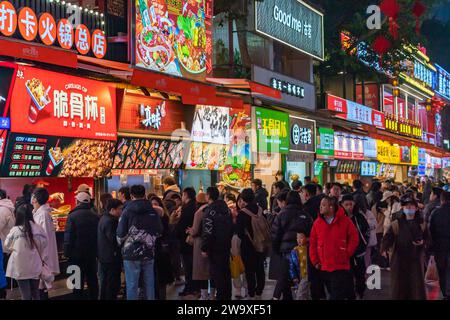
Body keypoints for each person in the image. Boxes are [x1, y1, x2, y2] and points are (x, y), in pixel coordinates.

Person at [117, 185, 163, 300]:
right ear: (145, 194)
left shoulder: (126, 211)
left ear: (131, 196)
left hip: (130, 253)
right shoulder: (153, 210)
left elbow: (121, 232)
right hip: (148, 251)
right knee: (149, 283)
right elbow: (159, 230)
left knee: (132, 284)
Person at [309, 196, 359, 300]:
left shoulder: (345, 221)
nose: (320, 208)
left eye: (323, 205)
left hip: (340, 266)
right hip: (323, 267)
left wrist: (346, 254)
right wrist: (315, 261)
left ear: (331, 207)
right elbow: (313, 243)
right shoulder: (317, 223)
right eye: (320, 205)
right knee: (331, 292)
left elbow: (354, 238)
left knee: (336, 295)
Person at [381, 194, 427, 300]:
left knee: (415, 285)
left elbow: (428, 238)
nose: (409, 208)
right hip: (399, 259)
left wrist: (423, 243)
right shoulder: (396, 223)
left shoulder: (421, 224)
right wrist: (384, 248)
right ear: (402, 208)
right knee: (399, 286)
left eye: (411, 206)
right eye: (406, 206)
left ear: (416, 208)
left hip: (415, 259)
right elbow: (388, 237)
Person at [271, 191, 312, 300]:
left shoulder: (281, 215)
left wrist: (277, 250)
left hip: (286, 251)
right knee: (302, 277)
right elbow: (311, 233)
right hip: (302, 252)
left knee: (285, 276)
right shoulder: (305, 215)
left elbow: (275, 235)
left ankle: (282, 297)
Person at [4, 204, 48, 300]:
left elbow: (7, 245)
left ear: (18, 216)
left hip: (20, 267)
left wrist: (16, 248)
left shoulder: (15, 230)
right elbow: (44, 244)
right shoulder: (39, 229)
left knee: (26, 295)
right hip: (35, 266)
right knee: (36, 293)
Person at [64, 191, 99, 300]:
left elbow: (68, 237)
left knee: (76, 284)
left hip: (75, 256)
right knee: (92, 281)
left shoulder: (72, 216)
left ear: (77, 202)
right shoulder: (96, 216)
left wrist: (66, 253)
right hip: (92, 255)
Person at [201, 187, 233, 300]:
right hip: (226, 245)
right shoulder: (226, 210)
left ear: (208, 196)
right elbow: (231, 227)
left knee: (217, 274)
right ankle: (227, 296)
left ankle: (220, 297)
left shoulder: (209, 211)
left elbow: (207, 231)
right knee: (226, 272)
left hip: (214, 247)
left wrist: (204, 247)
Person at [235, 188, 266, 300]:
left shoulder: (242, 213)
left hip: (248, 246)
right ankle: (259, 291)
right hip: (261, 244)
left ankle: (251, 293)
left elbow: (239, 233)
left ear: (243, 199)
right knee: (260, 269)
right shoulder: (260, 209)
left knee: (249, 271)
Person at [31, 188, 60, 299]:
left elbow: (44, 239)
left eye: (33, 196)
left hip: (42, 256)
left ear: (36, 199)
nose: (31, 199)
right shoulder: (39, 213)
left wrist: (43, 258)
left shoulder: (43, 214)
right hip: (40, 256)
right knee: (40, 288)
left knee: (41, 289)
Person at [340, 194, 370, 299]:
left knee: (360, 276)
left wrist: (363, 245)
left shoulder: (359, 217)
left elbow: (367, 231)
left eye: (351, 204)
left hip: (358, 252)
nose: (349, 207)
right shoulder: (338, 218)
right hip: (344, 254)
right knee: (346, 277)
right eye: (346, 204)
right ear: (342, 205)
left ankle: (360, 293)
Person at [149, 195, 174, 300]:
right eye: (152, 205)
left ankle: (161, 296)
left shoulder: (164, 218)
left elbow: (165, 233)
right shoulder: (148, 218)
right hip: (151, 250)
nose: (154, 207)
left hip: (162, 251)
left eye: (156, 204)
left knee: (161, 276)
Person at [97, 199, 123, 300]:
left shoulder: (103, 218)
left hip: (104, 256)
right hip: (111, 257)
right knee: (112, 284)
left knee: (105, 282)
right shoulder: (111, 221)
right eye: (120, 209)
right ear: (112, 210)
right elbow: (113, 239)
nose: (121, 211)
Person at [175, 187, 197, 297]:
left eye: (182, 195)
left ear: (185, 195)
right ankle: (193, 287)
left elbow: (182, 224)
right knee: (192, 265)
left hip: (186, 240)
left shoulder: (187, 208)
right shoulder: (195, 205)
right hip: (193, 240)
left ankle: (190, 288)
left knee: (188, 266)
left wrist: (174, 233)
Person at [188, 197, 211, 300]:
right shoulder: (211, 209)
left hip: (200, 242)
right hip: (213, 242)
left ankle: (204, 295)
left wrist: (190, 231)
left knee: (202, 271)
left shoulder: (199, 212)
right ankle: (213, 293)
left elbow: (195, 230)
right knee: (211, 270)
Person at [429, 191, 450, 300]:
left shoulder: (436, 212)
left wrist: (430, 248)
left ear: (442, 200)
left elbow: (430, 230)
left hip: (440, 246)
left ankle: (446, 294)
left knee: (442, 270)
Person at [289, 233, 310, 300]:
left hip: (309, 275)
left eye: (301, 238)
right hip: (300, 276)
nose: (299, 240)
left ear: (307, 238)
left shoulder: (309, 249)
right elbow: (291, 266)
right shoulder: (294, 251)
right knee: (300, 295)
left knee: (306, 294)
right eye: (297, 238)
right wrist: (294, 277)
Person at [0, 189, 15, 281]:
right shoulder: (7, 207)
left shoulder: (2, 210)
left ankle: (4, 291)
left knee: (3, 271)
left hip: (3, 246)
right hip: (7, 245)